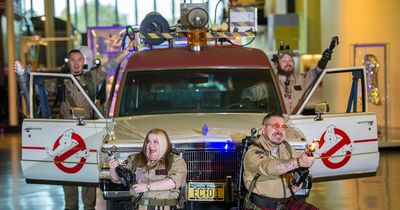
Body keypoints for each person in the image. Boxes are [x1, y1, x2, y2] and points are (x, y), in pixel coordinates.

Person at [14, 41, 136, 210]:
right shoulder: (59, 82)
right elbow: (37, 90)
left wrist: (126, 51)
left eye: (79, 60)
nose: (77, 63)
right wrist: (25, 77)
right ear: (68, 62)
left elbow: (109, 66)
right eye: (73, 60)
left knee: (89, 180)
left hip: (87, 134)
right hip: (65, 134)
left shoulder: (91, 79)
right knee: (67, 178)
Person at [243, 112, 317, 210]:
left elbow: (301, 167)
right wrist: (298, 162)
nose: (280, 130)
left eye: (283, 127)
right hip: (261, 206)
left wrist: (298, 183)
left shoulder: (287, 148)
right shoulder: (253, 151)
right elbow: (269, 167)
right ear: (264, 129)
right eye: (276, 126)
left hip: (286, 203)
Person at [241, 42, 333, 114]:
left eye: (290, 61)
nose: (288, 63)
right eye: (284, 61)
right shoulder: (271, 83)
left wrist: (323, 60)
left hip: (297, 123)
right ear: (276, 64)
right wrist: (253, 108)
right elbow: (246, 93)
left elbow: (316, 72)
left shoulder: (301, 80)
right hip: (277, 125)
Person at [109, 128, 187, 210]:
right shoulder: (134, 159)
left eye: (156, 142)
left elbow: (172, 182)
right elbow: (117, 179)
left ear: (164, 144)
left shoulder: (175, 161)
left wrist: (147, 187)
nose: (150, 145)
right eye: (148, 141)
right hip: (138, 206)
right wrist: (113, 169)